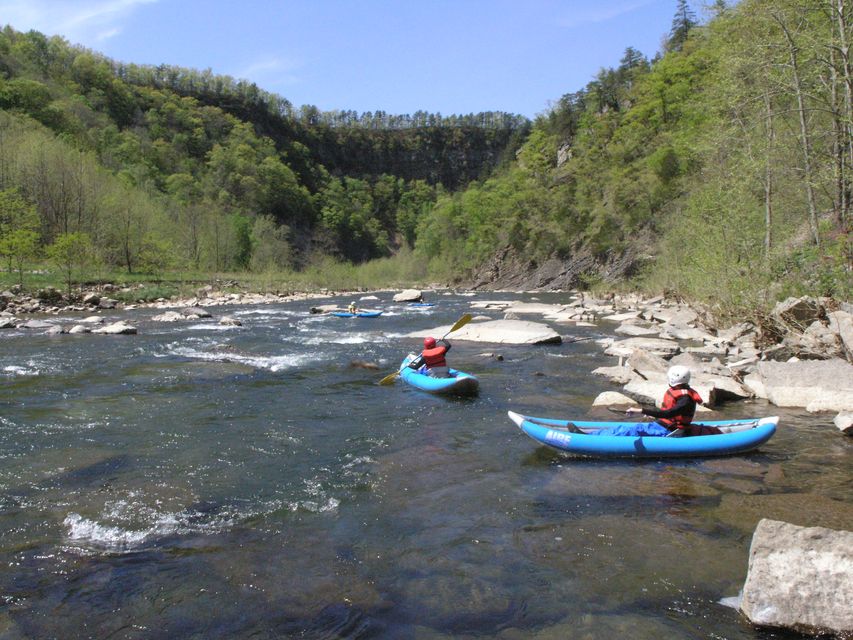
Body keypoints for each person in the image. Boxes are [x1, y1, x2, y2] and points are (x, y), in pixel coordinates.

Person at [587, 365, 706, 437]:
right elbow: (669, 414)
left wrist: (640, 410)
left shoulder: (685, 400)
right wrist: (651, 415)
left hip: (667, 430)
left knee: (630, 430)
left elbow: (668, 414)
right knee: (624, 428)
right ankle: (591, 435)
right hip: (664, 426)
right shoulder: (683, 392)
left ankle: (589, 438)